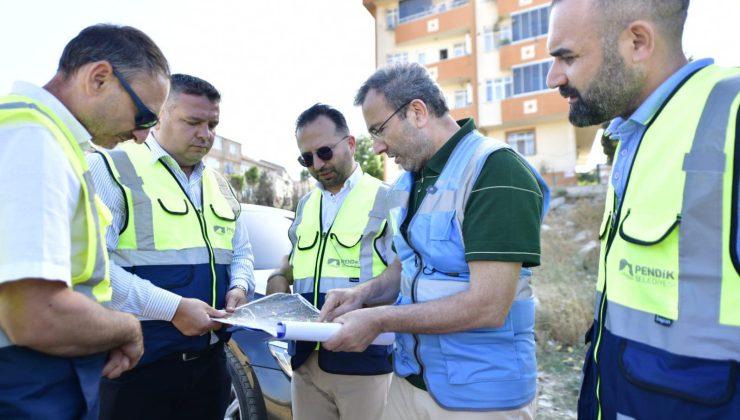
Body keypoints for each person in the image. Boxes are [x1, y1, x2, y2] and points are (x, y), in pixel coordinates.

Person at [318, 63, 550, 419]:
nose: (377, 147)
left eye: (379, 130)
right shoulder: (409, 182)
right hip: (410, 383)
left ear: (417, 111)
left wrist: (380, 320)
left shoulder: (495, 170)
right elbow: (406, 267)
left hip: (481, 397)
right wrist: (362, 295)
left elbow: (489, 305)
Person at [546, 0, 740, 418]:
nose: (553, 78)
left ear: (637, 42)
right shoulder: (636, 132)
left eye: (567, 57)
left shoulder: (732, 116)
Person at [0, 24, 170, 419]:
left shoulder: (47, 139)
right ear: (99, 78)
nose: (142, 136)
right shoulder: (33, 140)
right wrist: (126, 328)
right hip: (24, 386)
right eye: (143, 115)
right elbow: (34, 315)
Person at [87, 74, 254, 420]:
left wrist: (240, 285)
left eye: (212, 124)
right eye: (193, 122)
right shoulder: (111, 169)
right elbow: (93, 269)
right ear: (159, 116)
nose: (205, 134)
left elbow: (240, 251)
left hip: (211, 370)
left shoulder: (220, 184)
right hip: (137, 370)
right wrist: (173, 308)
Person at [266, 103, 396, 420]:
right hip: (305, 362)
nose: (317, 164)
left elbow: (404, 275)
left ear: (350, 144)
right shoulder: (306, 204)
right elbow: (293, 265)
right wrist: (279, 280)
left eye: (324, 151)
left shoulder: (388, 198)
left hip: (363, 360)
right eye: (306, 158)